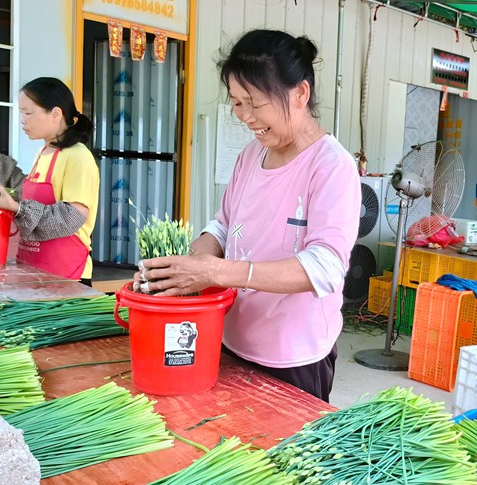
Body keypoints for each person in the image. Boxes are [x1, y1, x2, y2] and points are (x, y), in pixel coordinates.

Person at [134, 30, 361, 402]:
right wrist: (184, 269)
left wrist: (213, 272)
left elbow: (325, 267)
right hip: (228, 336)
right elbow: (222, 226)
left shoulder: (331, 166)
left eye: (255, 103)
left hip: (294, 356)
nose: (246, 117)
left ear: (300, 94)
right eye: (238, 103)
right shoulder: (250, 157)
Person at [0, 77, 99, 284]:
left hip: (66, 277)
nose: (23, 120)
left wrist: (17, 209)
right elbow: (25, 193)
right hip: (34, 269)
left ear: (56, 114)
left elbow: (71, 218)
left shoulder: (77, 156)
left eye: (28, 113)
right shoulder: (44, 151)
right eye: (22, 113)